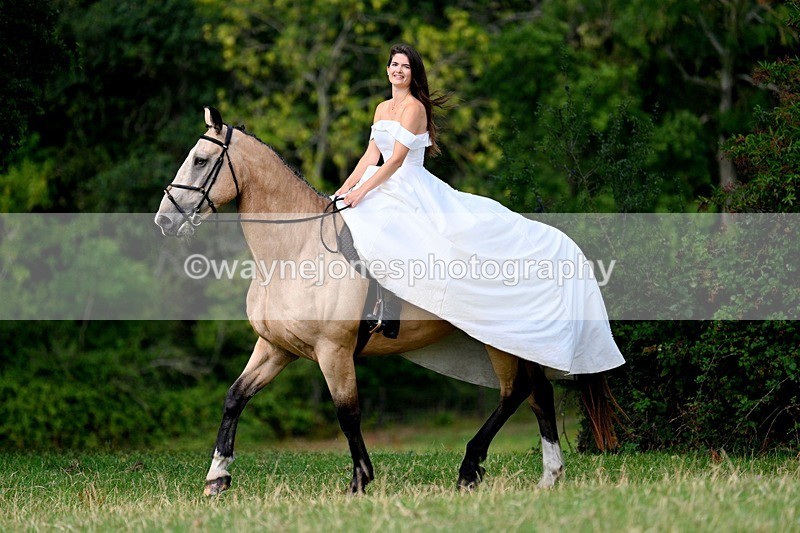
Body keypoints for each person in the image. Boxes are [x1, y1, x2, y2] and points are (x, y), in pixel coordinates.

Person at [334, 43, 624, 380]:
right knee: (351, 230)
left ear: (413, 74)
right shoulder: (382, 107)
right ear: (387, 70)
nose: (398, 70)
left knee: (393, 236)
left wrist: (364, 191)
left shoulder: (414, 108)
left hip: (407, 184)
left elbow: (396, 160)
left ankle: (389, 310)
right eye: (394, 65)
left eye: (406, 66)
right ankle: (376, 305)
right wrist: (346, 189)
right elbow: (371, 155)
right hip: (380, 180)